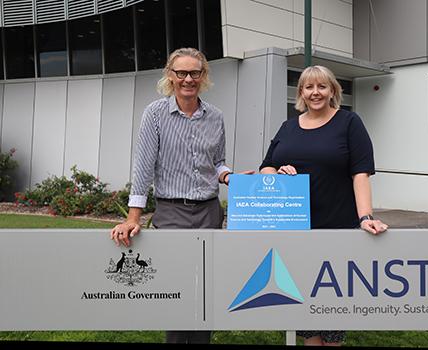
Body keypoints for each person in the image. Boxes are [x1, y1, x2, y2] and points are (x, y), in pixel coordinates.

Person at [110, 47, 246, 344]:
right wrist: (134, 216)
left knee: (205, 288)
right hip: (172, 211)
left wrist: (229, 176)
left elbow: (217, 161)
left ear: (203, 76)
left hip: (210, 211)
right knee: (178, 286)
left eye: (194, 73)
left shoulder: (215, 116)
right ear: (170, 76)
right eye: (181, 73)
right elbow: (144, 166)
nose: (188, 79)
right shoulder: (155, 114)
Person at [259, 65, 388, 346]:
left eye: (321, 87)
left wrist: (365, 216)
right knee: (304, 312)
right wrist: (279, 174)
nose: (315, 93)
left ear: (332, 91)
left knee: (331, 311)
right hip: (293, 232)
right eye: (309, 87)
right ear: (301, 93)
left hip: (336, 229)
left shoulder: (349, 122)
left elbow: (361, 173)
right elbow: (266, 167)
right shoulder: (288, 126)